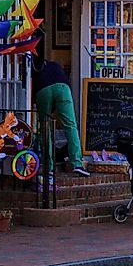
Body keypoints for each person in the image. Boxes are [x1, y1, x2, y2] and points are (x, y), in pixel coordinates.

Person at [33, 45, 89, 177]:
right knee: (70, 126)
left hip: (43, 89)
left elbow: (37, 97)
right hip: (63, 88)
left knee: (45, 127)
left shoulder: (34, 72)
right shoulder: (54, 65)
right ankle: (77, 163)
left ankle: (49, 166)